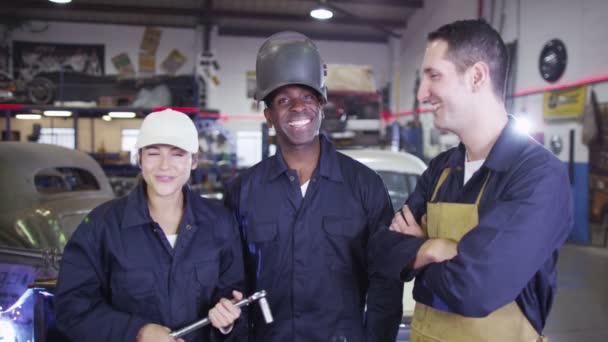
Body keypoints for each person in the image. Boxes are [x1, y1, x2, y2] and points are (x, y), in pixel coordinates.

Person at [370, 19, 573, 341]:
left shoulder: (538, 176)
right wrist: (436, 248)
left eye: (434, 76)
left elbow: (474, 289)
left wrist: (416, 252)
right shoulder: (440, 169)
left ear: (477, 76)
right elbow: (380, 249)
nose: (422, 94)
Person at [224, 31, 403, 341]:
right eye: (283, 100)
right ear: (268, 115)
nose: (297, 107)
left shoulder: (364, 186)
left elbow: (385, 283)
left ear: (322, 104)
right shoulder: (243, 192)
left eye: (307, 97)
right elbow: (232, 285)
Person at [55, 109, 245, 342]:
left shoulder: (220, 222)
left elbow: (233, 293)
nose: (164, 166)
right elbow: (71, 308)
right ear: (139, 159)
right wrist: (138, 332)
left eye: (177, 154)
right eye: (154, 154)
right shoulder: (101, 226)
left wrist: (227, 318)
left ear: (193, 161)